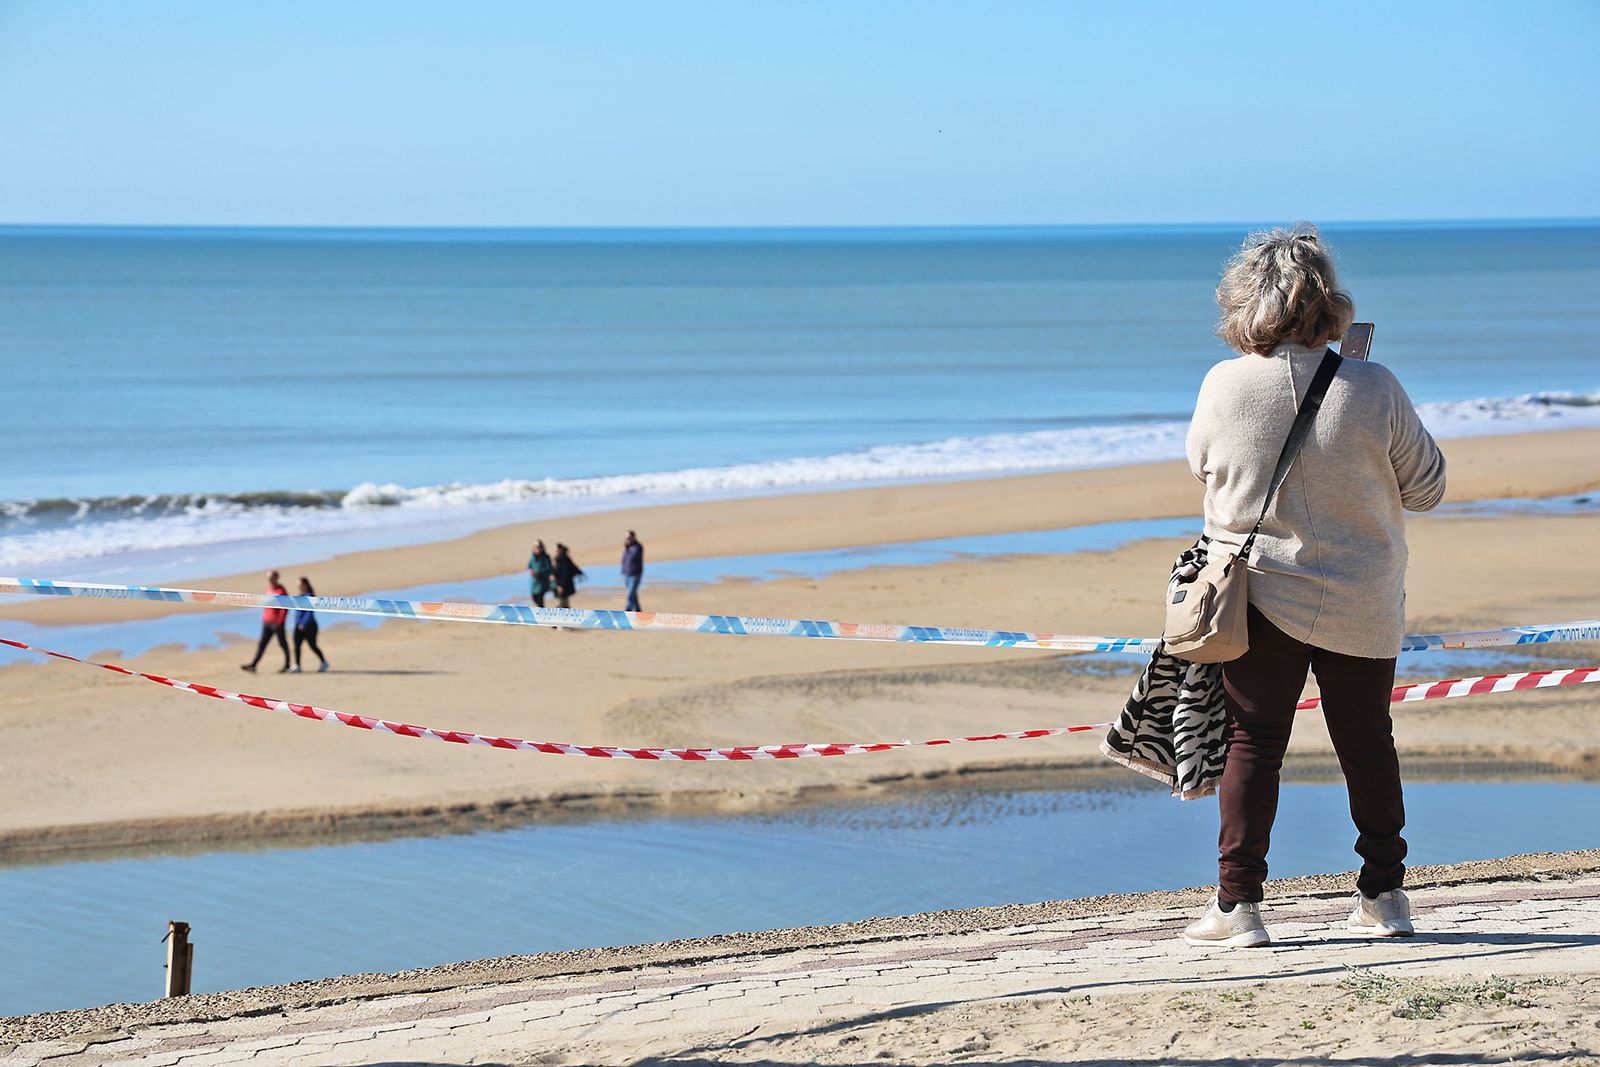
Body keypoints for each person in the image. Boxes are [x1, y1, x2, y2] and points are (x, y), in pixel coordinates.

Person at [1181, 225, 1446, 948]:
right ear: (1328, 301)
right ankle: (1385, 895)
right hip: (1361, 592)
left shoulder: (1221, 383)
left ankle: (1239, 907)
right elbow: (1427, 486)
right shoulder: (1373, 383)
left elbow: (1204, 471)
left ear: (1245, 303)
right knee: (1367, 741)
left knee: (1254, 741)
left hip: (1259, 592)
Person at [241, 569, 291, 673]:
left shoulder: (281, 591)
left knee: (282, 643)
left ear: (276, 578)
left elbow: (285, 608)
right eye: (268, 578)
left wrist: (280, 621)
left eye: (272, 577)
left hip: (277, 623)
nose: (270, 579)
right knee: (262, 644)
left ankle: (287, 665)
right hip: (267, 622)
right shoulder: (268, 589)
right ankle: (253, 665)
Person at [289, 576, 329, 673]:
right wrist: (298, 623)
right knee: (296, 645)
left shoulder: (310, 596)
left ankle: (324, 662)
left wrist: (303, 624)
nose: (299, 587)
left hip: (309, 626)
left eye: (300, 585)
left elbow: (309, 612)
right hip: (298, 626)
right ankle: (297, 665)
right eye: (298, 585)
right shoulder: (299, 596)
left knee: (312, 645)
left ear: (305, 585)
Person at [551, 543, 584, 610]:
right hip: (560, 585)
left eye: (556, 550)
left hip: (563, 586)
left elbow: (565, 574)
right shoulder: (559, 559)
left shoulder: (563, 559)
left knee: (561, 604)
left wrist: (561, 586)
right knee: (564, 604)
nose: (555, 552)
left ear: (560, 550)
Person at [620, 530, 644, 612]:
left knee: (630, 594)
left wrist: (627, 548)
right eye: (626, 537)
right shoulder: (627, 547)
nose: (627, 539)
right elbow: (624, 560)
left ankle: (627, 611)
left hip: (635, 574)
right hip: (626, 574)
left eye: (629, 537)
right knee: (633, 594)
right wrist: (623, 570)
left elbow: (634, 557)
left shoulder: (638, 547)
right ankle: (638, 611)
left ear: (633, 537)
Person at [528, 540, 554, 608]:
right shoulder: (532, 557)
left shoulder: (545, 556)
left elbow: (549, 568)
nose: (538, 548)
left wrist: (539, 571)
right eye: (536, 547)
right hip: (534, 582)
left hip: (543, 581)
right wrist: (531, 571)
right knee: (534, 597)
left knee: (540, 599)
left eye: (539, 547)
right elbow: (529, 566)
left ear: (542, 547)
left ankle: (542, 614)